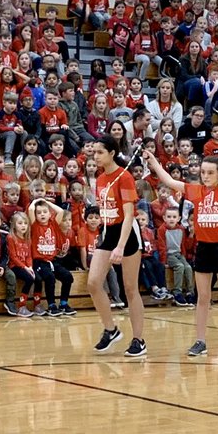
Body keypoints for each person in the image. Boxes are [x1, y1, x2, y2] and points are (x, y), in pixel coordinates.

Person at [145, 124, 218, 358]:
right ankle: (200, 341)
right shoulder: (195, 191)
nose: (205, 176)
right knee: (203, 298)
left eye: (209, 172)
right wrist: (154, 162)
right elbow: (169, 181)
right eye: (202, 172)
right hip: (203, 248)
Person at [86, 133, 146, 357]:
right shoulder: (101, 179)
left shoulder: (125, 177)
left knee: (130, 289)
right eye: (94, 152)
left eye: (100, 152)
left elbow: (129, 214)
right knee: (93, 283)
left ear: (112, 153)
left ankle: (139, 340)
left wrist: (120, 246)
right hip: (109, 231)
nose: (96, 156)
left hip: (128, 233)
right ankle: (110, 329)